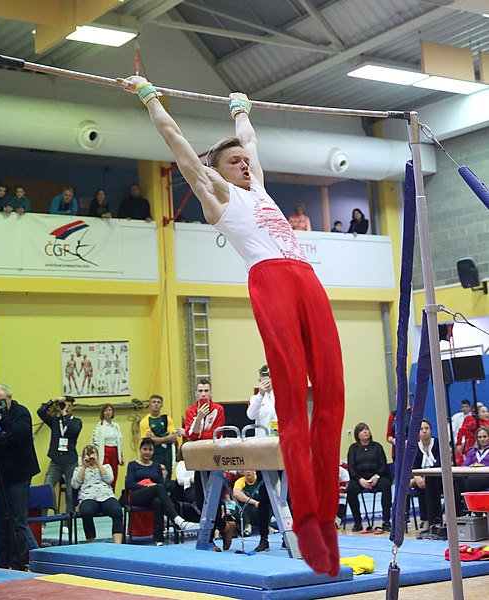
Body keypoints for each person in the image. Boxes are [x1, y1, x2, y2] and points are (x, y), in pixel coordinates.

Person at [120, 75, 344, 575]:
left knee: (331, 385)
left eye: (244, 161)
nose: (244, 165)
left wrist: (241, 109)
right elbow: (177, 142)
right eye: (234, 161)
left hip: (305, 277)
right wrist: (149, 96)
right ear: (216, 169)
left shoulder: (259, 186)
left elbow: (253, 144)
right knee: (288, 383)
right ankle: (307, 521)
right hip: (270, 279)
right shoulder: (217, 193)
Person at [0, 383, 40, 570]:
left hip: (18, 475)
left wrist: (2, 418)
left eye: (2, 401)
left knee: (18, 523)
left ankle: (19, 564)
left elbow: (19, 434)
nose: (0, 405)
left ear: (10, 398)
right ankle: (0, 564)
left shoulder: (21, 413)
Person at [184, 379, 234, 550]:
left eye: (206, 390)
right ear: (196, 393)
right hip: (199, 459)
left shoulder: (218, 409)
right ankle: (224, 527)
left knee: (213, 497)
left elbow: (216, 434)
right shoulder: (190, 411)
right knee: (200, 500)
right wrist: (198, 418)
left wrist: (198, 433)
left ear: (211, 393)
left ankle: (211, 539)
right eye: (200, 391)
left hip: (214, 458)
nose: (203, 394)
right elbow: (191, 437)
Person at [124, 438, 196, 546]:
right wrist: (146, 486)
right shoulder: (132, 465)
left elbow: (161, 484)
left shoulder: (156, 466)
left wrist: (153, 488)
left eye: (150, 450)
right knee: (158, 488)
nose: (147, 452)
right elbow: (130, 484)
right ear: (140, 450)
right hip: (137, 495)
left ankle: (158, 540)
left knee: (158, 501)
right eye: (145, 449)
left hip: (152, 496)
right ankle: (176, 519)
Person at [246, 364, 277, 552]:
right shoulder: (256, 398)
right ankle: (264, 537)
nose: (268, 380)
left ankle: (288, 534)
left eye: (271, 377)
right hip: (262, 451)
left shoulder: (282, 396)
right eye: (265, 377)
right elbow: (250, 415)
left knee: (286, 496)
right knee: (265, 496)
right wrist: (260, 394)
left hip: (279, 449)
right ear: (260, 380)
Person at [37, 396, 82, 513]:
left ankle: (68, 521)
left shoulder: (77, 422)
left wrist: (64, 414)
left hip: (70, 462)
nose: (65, 407)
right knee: (46, 489)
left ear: (72, 407)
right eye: (63, 404)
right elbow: (40, 412)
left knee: (70, 493)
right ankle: (42, 522)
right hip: (55, 462)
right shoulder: (54, 421)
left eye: (68, 405)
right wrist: (52, 401)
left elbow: (73, 430)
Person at [71, 444, 124, 544]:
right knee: (86, 512)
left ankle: (118, 544)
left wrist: (97, 463)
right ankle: (91, 542)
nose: (90, 456)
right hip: (88, 496)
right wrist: (84, 466)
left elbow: (109, 479)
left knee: (117, 511)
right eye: (87, 454)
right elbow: (75, 485)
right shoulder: (78, 469)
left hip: (105, 496)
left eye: (93, 454)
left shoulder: (106, 467)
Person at [346, 422, 392, 533]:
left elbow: (383, 465)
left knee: (386, 485)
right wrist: (360, 479)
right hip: (359, 478)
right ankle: (357, 522)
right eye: (362, 430)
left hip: (376, 476)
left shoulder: (377, 447)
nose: (365, 431)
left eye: (367, 429)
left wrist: (376, 476)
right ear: (357, 434)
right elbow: (351, 468)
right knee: (351, 489)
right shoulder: (353, 448)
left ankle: (386, 521)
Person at [139, 394, 178, 479]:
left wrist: (156, 438)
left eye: (158, 402)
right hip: (153, 454)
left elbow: (173, 437)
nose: (156, 404)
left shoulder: (167, 419)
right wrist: (166, 438)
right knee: (154, 476)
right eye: (153, 402)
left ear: (162, 405)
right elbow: (150, 441)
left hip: (167, 453)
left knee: (167, 476)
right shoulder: (145, 421)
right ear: (149, 405)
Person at [92, 403, 124, 491]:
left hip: (115, 452)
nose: (108, 412)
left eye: (109, 410)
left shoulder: (116, 426)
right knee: (106, 475)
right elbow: (95, 442)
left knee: (114, 475)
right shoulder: (99, 426)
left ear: (112, 412)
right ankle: (104, 494)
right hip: (105, 452)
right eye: (105, 411)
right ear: (103, 413)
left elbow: (120, 441)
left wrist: (121, 455)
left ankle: (112, 495)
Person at [457, 426, 489, 507]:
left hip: (486, 476)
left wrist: (483, 466)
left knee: (462, 483)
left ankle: (462, 505)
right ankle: (458, 509)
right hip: (472, 476)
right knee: (457, 478)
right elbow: (464, 466)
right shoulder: (472, 451)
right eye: (479, 437)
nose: (482, 439)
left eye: (484, 436)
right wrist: (471, 466)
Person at [232, 470, 265, 537]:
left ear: (254, 471)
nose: (248, 472)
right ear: (243, 472)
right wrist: (254, 502)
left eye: (250, 469)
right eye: (245, 470)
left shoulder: (259, 479)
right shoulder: (240, 481)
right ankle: (247, 526)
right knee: (241, 502)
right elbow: (236, 494)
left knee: (267, 503)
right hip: (246, 512)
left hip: (259, 511)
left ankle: (266, 525)